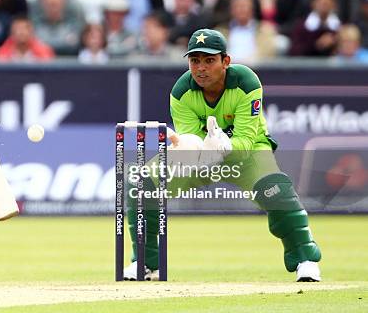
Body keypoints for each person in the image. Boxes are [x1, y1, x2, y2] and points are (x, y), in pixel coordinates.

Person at [123, 28, 322, 282]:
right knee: (142, 183)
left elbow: (248, 138)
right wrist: (190, 147)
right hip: (201, 158)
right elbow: (191, 140)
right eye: (195, 61)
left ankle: (305, 259)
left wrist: (223, 145)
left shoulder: (246, 82)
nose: (201, 68)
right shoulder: (181, 91)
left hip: (247, 153)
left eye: (209, 60)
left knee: (276, 190)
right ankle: (146, 263)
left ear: (225, 61)